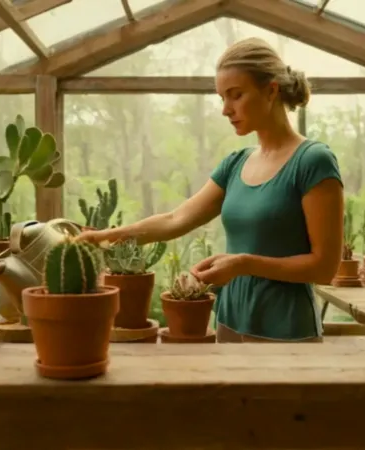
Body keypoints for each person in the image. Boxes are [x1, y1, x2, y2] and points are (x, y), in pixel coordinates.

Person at [79, 37, 344, 343]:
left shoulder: (313, 161)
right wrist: (102, 238)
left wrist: (243, 263)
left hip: (287, 331)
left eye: (236, 95)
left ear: (271, 90)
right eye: (222, 98)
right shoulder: (235, 164)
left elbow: (325, 267)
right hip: (230, 322)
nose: (226, 110)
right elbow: (174, 220)